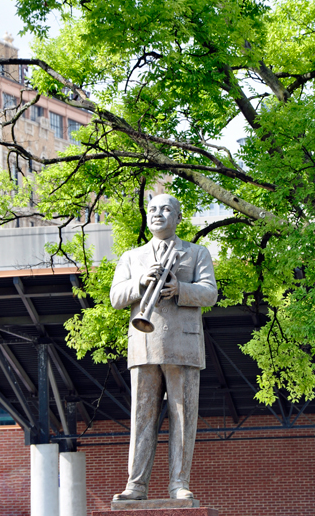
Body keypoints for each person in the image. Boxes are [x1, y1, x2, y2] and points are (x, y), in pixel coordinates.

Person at [110, 194, 217, 501]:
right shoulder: (132, 257)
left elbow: (210, 293)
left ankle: (179, 483)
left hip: (183, 344)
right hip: (144, 343)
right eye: (152, 209)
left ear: (178, 217)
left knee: (184, 418)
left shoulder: (196, 253)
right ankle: (136, 485)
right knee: (141, 417)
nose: (158, 214)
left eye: (166, 209)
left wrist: (180, 289)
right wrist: (140, 283)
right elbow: (116, 297)